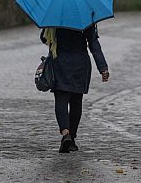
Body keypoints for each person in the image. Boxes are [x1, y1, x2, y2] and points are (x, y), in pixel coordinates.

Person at [41, 25, 109, 153]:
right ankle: (72, 139)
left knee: (61, 100)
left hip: (60, 63)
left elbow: (44, 39)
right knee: (76, 102)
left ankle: (65, 133)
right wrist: (103, 67)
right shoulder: (86, 19)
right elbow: (94, 44)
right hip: (80, 64)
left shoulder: (55, 17)